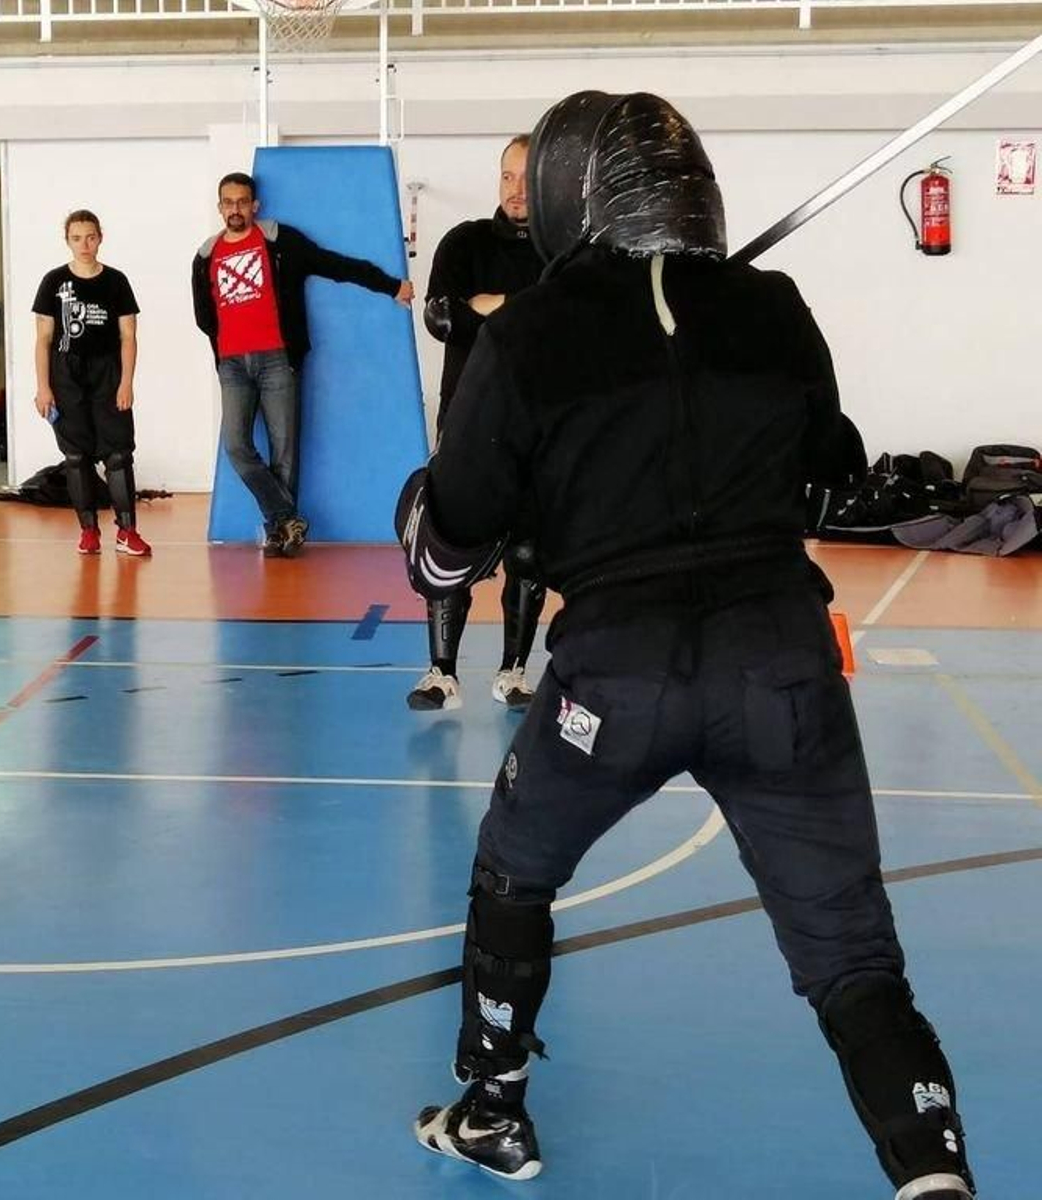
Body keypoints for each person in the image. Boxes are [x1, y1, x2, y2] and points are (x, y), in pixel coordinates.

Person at [398, 93, 975, 1200]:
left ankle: (492, 1107)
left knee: (514, 870)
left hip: (616, 674)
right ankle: (935, 1176)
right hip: (781, 664)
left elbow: (447, 548)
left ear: (570, 193)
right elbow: (825, 471)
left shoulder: (528, 331)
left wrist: (449, 511)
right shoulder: (771, 306)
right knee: (855, 963)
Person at [192, 171, 416, 556]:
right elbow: (203, 316)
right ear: (219, 207)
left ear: (254, 206)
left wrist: (390, 285)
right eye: (228, 203)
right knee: (236, 445)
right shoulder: (205, 256)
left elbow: (334, 265)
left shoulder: (280, 242)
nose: (235, 209)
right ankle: (286, 517)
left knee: (284, 451)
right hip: (232, 364)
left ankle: (283, 534)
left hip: (278, 359)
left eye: (242, 202)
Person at [411, 135, 547, 713]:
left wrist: (490, 306)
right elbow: (442, 318)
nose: (516, 190)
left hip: (542, 423)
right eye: (507, 177)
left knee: (529, 552)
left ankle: (513, 672)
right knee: (451, 542)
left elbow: (569, 329)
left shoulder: (567, 249)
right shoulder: (464, 242)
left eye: (527, 178)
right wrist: (529, 305)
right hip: (466, 418)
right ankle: (441, 674)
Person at [32, 209, 150, 556]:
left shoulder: (116, 281)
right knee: (76, 456)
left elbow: (128, 335)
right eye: (76, 238)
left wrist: (126, 382)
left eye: (91, 236)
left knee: (118, 455)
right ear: (67, 241)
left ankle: (127, 531)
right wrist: (43, 387)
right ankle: (88, 532)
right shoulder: (53, 282)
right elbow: (43, 339)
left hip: (107, 372)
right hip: (65, 374)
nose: (85, 244)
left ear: (101, 237)